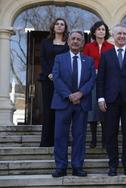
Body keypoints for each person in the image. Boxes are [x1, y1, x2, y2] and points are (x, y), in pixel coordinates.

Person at [97, 24, 126, 176]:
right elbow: (101, 79)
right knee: (110, 134)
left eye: (124, 34)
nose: (122, 36)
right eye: (119, 34)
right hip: (110, 100)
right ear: (113, 36)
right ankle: (113, 165)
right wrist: (100, 98)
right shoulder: (106, 55)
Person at [51, 30, 96, 177]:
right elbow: (56, 78)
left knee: (80, 136)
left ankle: (77, 166)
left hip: (81, 103)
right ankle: (61, 167)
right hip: (63, 102)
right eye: (73, 39)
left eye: (79, 39)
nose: (76, 41)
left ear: (83, 43)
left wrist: (81, 93)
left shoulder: (88, 60)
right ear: (68, 42)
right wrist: (69, 95)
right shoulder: (59, 58)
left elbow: (91, 80)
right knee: (60, 136)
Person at [39, 18, 69, 147]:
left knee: (62, 111)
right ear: (53, 26)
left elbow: (68, 61)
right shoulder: (46, 42)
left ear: (65, 28)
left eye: (62, 24)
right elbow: (43, 59)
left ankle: (62, 141)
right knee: (48, 110)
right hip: (48, 80)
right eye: (57, 24)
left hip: (63, 82)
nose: (59, 26)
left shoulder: (68, 43)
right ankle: (46, 141)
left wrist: (60, 77)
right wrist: (49, 74)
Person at [83, 21, 113, 148]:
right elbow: (84, 63)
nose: (101, 31)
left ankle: (106, 140)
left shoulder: (111, 47)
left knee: (106, 110)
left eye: (103, 29)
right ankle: (94, 139)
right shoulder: (88, 46)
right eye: (99, 29)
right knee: (94, 110)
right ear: (94, 32)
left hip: (108, 81)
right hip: (92, 81)